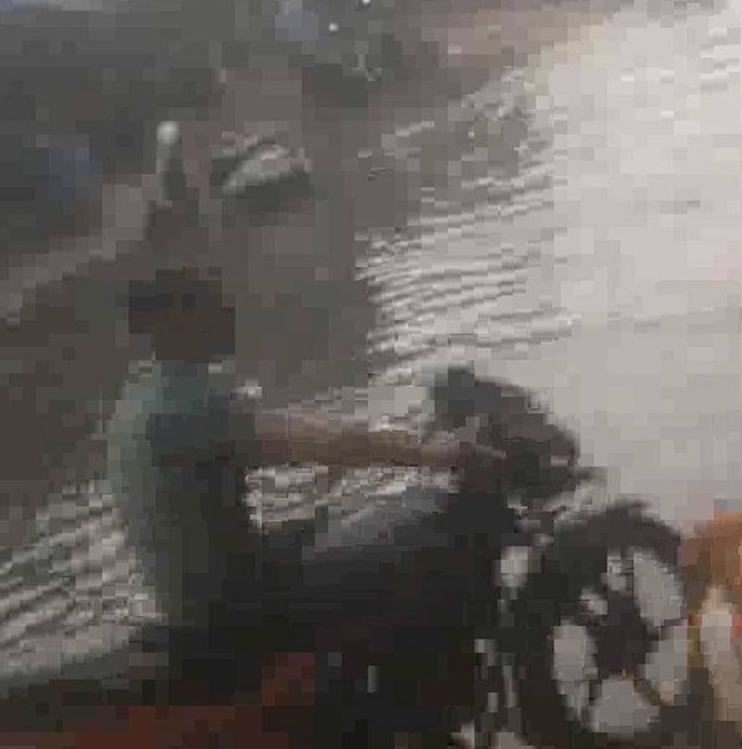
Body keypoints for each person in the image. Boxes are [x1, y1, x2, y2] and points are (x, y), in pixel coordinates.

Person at [105, 267, 496, 682]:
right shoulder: (188, 404)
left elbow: (293, 440)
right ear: (175, 324)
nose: (228, 315)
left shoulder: (142, 394)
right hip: (234, 606)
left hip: (191, 597)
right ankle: (419, 694)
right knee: (418, 537)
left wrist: (346, 453)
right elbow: (330, 442)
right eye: (212, 307)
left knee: (331, 520)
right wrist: (435, 453)